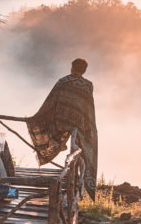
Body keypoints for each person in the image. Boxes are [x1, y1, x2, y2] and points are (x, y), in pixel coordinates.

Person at [26, 58, 98, 199]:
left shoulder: (62, 81)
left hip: (60, 122)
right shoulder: (88, 85)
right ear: (85, 70)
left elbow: (50, 102)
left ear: (71, 67)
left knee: (73, 151)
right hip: (79, 125)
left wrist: (36, 118)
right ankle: (76, 182)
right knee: (80, 150)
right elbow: (88, 108)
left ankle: (69, 172)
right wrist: (89, 127)